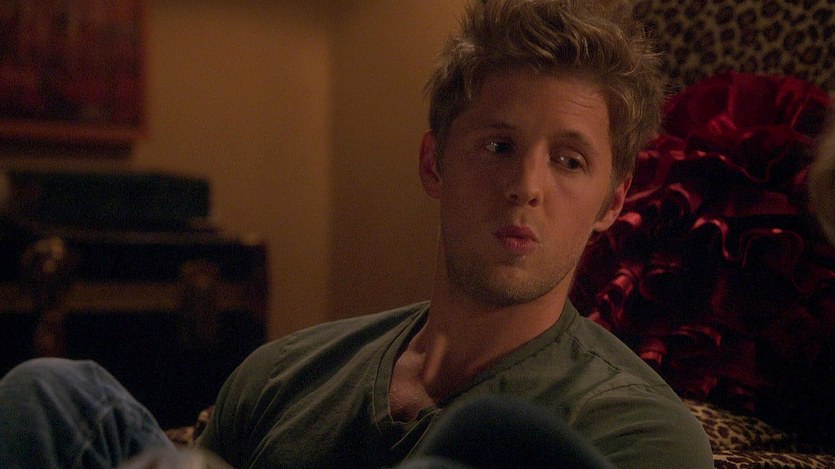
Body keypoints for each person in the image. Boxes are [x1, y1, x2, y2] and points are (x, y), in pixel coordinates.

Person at [0, 1, 715, 468]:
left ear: (612, 200)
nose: (526, 185)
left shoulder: (635, 427)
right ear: (433, 164)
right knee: (50, 389)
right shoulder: (285, 373)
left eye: (568, 160)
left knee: (486, 441)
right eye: (498, 146)